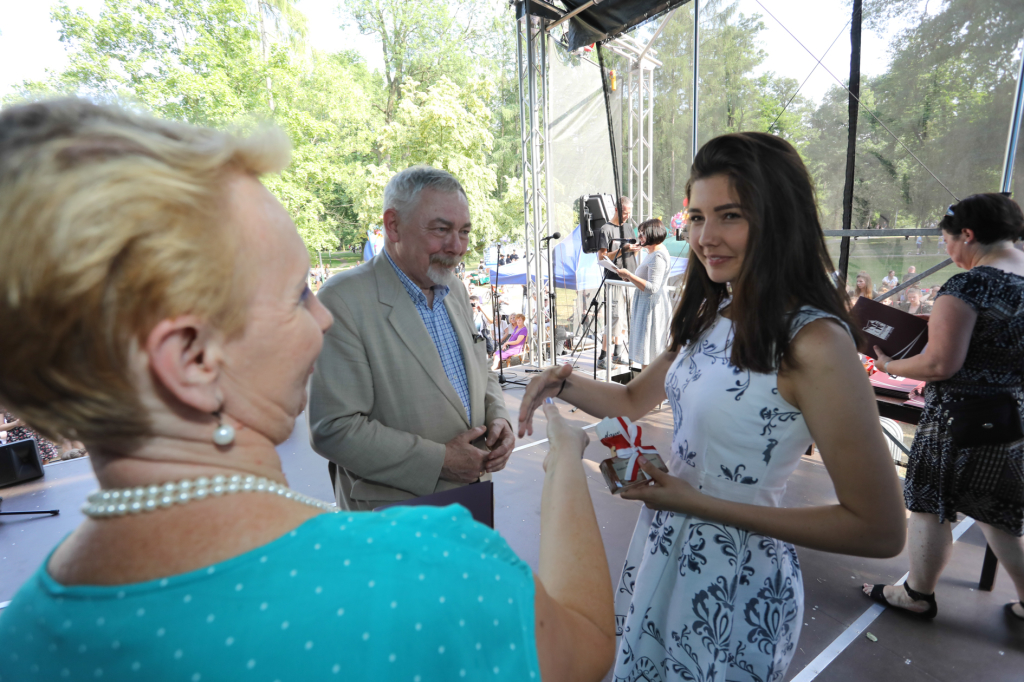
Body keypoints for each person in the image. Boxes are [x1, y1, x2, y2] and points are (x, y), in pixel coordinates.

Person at [0, 99, 616, 681]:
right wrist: (565, 459)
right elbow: (586, 645)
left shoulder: (21, 640)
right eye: (296, 295)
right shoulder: (423, 566)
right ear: (189, 358)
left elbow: (475, 364)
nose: (320, 321)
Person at [517, 132, 906, 681]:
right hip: (665, 551)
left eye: (730, 216)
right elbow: (632, 399)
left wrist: (695, 503)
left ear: (778, 219)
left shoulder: (815, 343)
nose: (706, 237)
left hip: (739, 581)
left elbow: (882, 529)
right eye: (696, 217)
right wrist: (560, 383)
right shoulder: (709, 312)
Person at [308, 165, 515, 511]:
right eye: (441, 229)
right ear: (393, 226)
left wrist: (499, 419)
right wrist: (441, 460)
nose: (457, 246)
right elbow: (332, 428)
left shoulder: (458, 291)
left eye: (464, 231)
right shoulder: (341, 299)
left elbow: (481, 372)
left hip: (471, 501)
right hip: (393, 514)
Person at [868, 193, 1024, 621]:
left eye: (948, 240)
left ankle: (917, 593)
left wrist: (889, 364)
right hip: (1014, 415)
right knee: (999, 511)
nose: (948, 250)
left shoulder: (970, 284)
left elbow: (940, 363)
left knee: (928, 505)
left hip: (960, 419)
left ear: (969, 235)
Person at [614, 217, 672, 369]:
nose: (639, 237)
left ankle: (648, 390)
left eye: (642, 234)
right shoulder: (652, 252)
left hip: (651, 307)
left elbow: (653, 287)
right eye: (639, 233)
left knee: (649, 354)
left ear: (653, 234)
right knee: (647, 354)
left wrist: (629, 275)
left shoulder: (658, 256)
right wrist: (630, 278)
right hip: (646, 304)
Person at [597, 196, 639, 370]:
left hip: (630, 279)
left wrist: (634, 250)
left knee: (626, 318)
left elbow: (633, 254)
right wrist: (622, 250)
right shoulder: (606, 229)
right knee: (614, 317)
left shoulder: (629, 228)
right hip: (614, 280)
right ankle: (603, 356)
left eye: (629, 214)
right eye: (625, 214)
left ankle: (618, 353)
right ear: (617, 210)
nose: (627, 217)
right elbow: (601, 257)